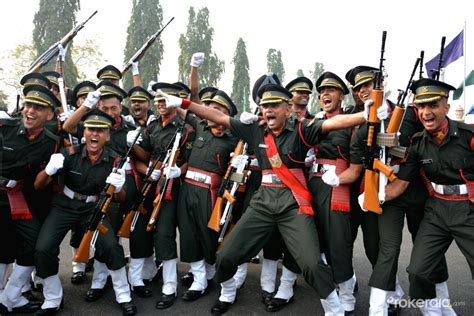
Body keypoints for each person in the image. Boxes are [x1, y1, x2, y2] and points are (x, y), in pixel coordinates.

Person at [157, 82, 371, 314]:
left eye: (274, 105)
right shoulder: (254, 129)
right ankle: (227, 292)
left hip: (293, 204)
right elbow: (215, 116)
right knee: (226, 256)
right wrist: (183, 103)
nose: (268, 109)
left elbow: (332, 122)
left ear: (287, 108)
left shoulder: (301, 129)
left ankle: (334, 309)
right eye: (264, 105)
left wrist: (364, 115)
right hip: (263, 202)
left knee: (311, 264)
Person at [33, 109, 137, 315]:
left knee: (110, 246)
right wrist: (49, 171)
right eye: (90, 129)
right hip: (64, 205)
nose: (95, 134)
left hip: (93, 208)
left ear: (108, 135)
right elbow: (38, 185)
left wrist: (118, 188)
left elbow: (122, 198)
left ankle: (123, 294)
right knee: (43, 248)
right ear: (84, 132)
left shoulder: (116, 160)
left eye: (100, 130)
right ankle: (53, 298)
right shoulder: (69, 154)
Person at [385, 78, 467, 315]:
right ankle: (434, 310)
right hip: (431, 206)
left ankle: (443, 305)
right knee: (418, 268)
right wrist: (372, 196)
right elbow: (401, 180)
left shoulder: (466, 136)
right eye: (421, 106)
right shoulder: (416, 141)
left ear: (446, 107)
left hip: (455, 204)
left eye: (433, 105)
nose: (426, 112)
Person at [129, 82, 194, 309]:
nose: (160, 105)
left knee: (164, 232)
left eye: (164, 100)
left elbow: (190, 161)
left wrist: (178, 171)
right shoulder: (152, 126)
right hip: (151, 182)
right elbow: (143, 154)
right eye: (157, 101)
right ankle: (136, 278)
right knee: (139, 229)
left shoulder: (185, 129)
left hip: (171, 187)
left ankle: (169, 285)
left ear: (174, 102)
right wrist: (145, 167)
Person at [173, 90, 238, 305]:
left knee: (207, 234)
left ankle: (210, 272)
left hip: (210, 193)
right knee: (189, 234)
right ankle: (199, 280)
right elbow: (186, 108)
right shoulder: (199, 126)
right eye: (210, 108)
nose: (212, 112)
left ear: (227, 114)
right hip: (188, 188)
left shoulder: (234, 137)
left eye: (218, 110)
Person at [0, 84, 59, 315]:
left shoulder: (50, 140)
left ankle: (11, 296)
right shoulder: (4, 127)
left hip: (19, 197)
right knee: (1, 246)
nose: (30, 111)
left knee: (33, 242)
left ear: (50, 114)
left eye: (39, 107)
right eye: (28, 105)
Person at [308, 71, 357, 315]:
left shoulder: (351, 122)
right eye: (322, 92)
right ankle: (330, 290)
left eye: (331, 90)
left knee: (339, 242)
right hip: (313, 184)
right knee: (317, 243)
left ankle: (347, 291)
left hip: (338, 184)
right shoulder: (311, 122)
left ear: (341, 96)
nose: (325, 94)